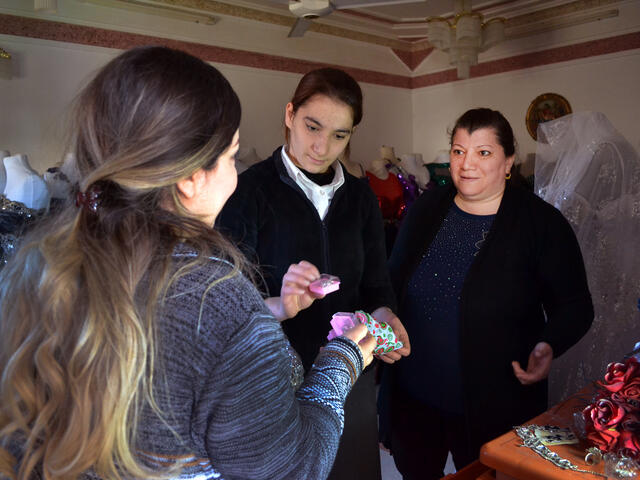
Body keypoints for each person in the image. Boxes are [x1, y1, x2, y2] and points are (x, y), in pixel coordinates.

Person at [0, 46, 377, 480]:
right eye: (231, 156)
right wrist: (341, 360)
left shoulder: (34, 269)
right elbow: (293, 466)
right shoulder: (217, 304)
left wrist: (277, 309)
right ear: (192, 177)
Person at [378, 108, 593, 479]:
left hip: (493, 406)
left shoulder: (541, 224)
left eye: (483, 153)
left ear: (508, 161)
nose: (466, 164)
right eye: (459, 151)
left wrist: (547, 345)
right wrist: (382, 312)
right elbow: (390, 282)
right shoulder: (427, 208)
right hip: (413, 402)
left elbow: (576, 306)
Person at [217, 67, 410, 480]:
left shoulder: (360, 198)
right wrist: (281, 306)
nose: (322, 147)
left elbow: (376, 282)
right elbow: (227, 304)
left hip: (351, 371)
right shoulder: (248, 191)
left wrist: (384, 316)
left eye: (339, 135)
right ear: (290, 115)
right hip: (272, 379)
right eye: (312, 126)